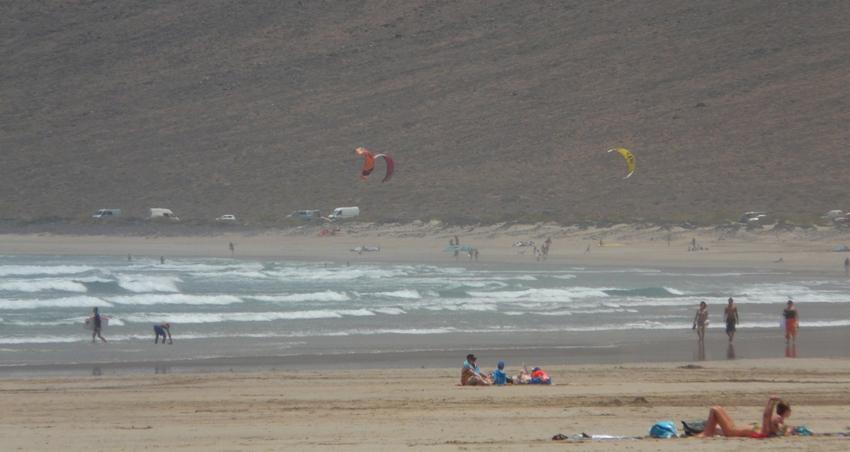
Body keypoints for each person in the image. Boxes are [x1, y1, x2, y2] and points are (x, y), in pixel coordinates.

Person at [698, 395, 792, 438]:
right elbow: (766, 416)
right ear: (787, 411)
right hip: (733, 429)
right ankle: (707, 432)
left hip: (732, 431)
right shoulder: (775, 422)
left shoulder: (772, 425)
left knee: (715, 409)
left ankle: (706, 433)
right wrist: (771, 401)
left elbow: (766, 416)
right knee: (716, 410)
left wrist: (771, 401)